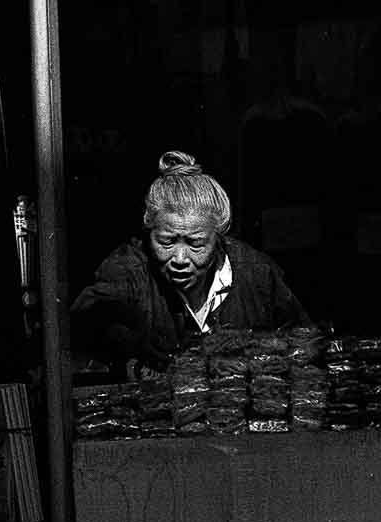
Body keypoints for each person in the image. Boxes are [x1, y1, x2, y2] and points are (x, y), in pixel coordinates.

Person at [71, 150, 309, 371]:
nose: (180, 259)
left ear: (218, 237)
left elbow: (303, 344)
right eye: (166, 242)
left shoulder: (258, 274)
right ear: (149, 231)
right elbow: (82, 327)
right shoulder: (128, 271)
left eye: (196, 244)